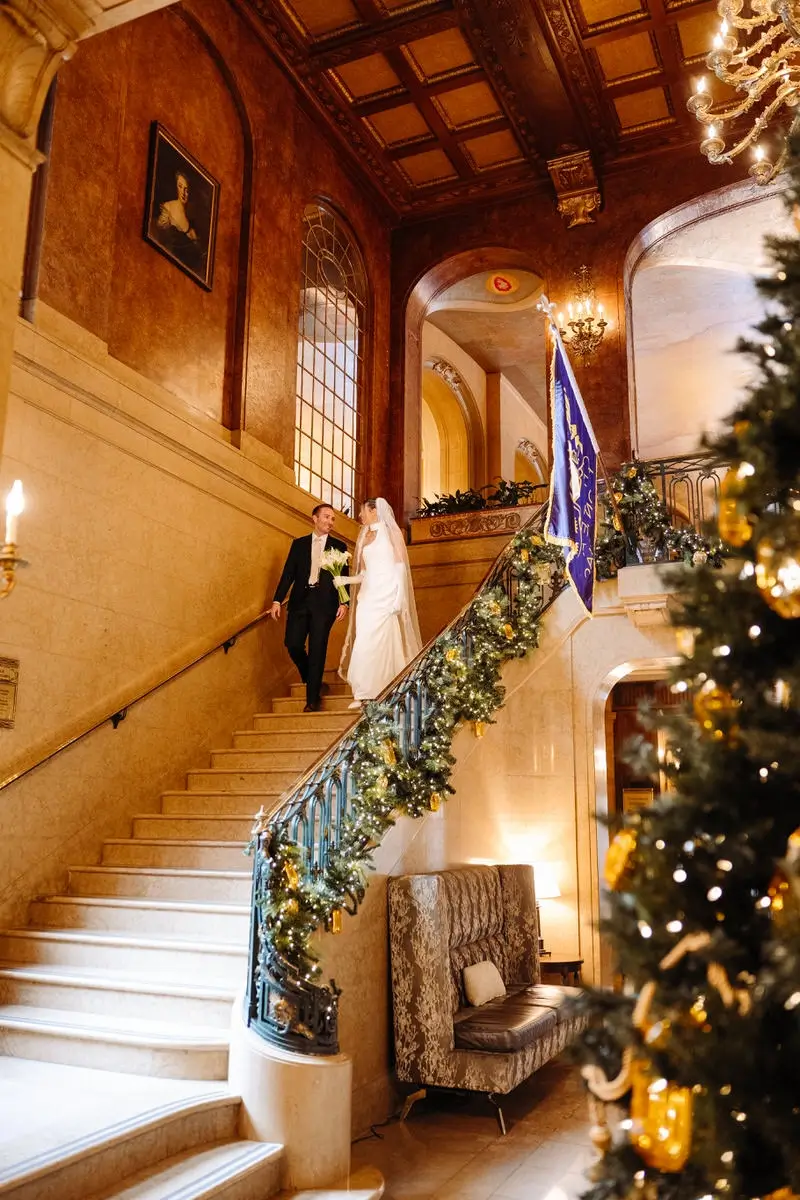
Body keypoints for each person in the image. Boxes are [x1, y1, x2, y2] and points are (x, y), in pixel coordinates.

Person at [336, 497, 421, 708]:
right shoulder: (364, 536)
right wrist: (345, 579)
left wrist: (399, 597)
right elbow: (364, 573)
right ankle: (363, 691)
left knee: (383, 640)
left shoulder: (392, 533)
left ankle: (386, 686)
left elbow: (400, 567)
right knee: (364, 640)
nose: (360, 516)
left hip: (386, 595)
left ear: (374, 510)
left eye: (363, 511)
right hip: (367, 596)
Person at [271, 504, 349, 712]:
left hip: (325, 604)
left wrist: (344, 602)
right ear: (314, 518)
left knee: (318, 649)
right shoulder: (299, 545)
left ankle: (312, 699)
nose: (330, 522)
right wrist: (277, 600)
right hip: (299, 601)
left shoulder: (338, 546)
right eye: (326, 517)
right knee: (293, 644)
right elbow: (288, 573)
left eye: (333, 519)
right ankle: (310, 677)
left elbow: (342, 577)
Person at [154, 170, 205, 273]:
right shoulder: (168, 208)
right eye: (180, 186)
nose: (183, 193)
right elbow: (159, 237)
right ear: (176, 187)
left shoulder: (192, 217)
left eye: (187, 189)